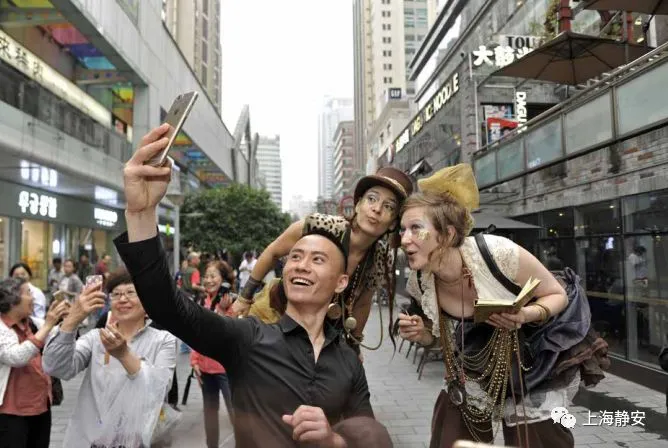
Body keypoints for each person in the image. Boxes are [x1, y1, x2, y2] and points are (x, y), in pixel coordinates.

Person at [114, 123, 392, 447]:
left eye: (317, 259)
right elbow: (165, 306)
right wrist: (141, 213)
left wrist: (334, 440)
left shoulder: (347, 363)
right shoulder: (247, 339)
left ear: (341, 282)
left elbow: (369, 437)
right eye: (296, 256)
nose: (301, 264)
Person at [396, 164, 575, 448]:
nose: (404, 239)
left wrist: (526, 314)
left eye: (416, 228)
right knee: (450, 433)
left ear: (448, 235)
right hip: (475, 364)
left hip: (531, 357)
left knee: (536, 438)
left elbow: (557, 294)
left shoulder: (497, 253)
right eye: (403, 229)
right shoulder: (420, 282)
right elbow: (442, 339)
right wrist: (424, 335)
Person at [232, 166, 413, 355]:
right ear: (358, 204)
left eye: (388, 207)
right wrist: (244, 298)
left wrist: (354, 346)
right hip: (274, 314)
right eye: (372, 199)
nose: (376, 209)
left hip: (319, 334)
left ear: (393, 222)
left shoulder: (382, 257)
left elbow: (362, 303)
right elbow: (273, 252)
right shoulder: (320, 226)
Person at [42, 268, 177, 448]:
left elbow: (159, 388)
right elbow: (55, 367)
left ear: (147, 302)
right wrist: (73, 319)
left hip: (137, 440)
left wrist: (124, 355)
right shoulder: (96, 338)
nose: (123, 299)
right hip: (90, 438)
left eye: (131, 293)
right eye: (116, 294)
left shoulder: (163, 340)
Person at [0, 277, 69, 448]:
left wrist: (68, 320)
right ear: (13, 300)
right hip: (11, 412)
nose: (33, 298)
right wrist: (48, 324)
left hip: (40, 406)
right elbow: (16, 357)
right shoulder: (2, 327)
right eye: (28, 292)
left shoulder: (32, 323)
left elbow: (56, 335)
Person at [191, 261, 235, 448]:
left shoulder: (233, 302)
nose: (208, 280)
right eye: (206, 276)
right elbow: (195, 334)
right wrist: (194, 360)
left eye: (213, 276)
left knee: (235, 412)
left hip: (226, 369)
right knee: (210, 413)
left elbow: (232, 334)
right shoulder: (202, 302)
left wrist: (224, 311)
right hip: (205, 368)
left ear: (223, 280)